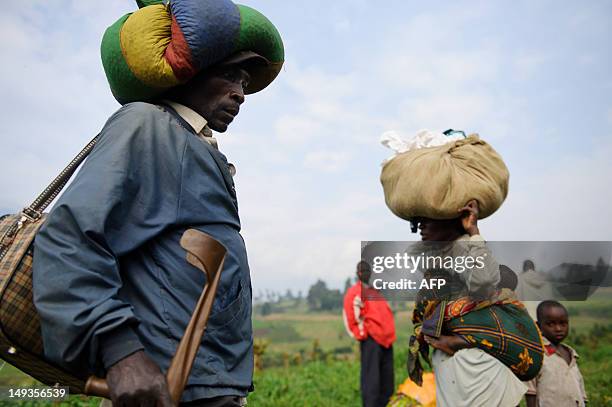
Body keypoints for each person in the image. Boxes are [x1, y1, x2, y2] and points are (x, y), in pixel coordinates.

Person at [32, 50, 279, 406]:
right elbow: (69, 238)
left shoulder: (191, 141)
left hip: (205, 377)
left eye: (243, 83)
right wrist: (121, 352)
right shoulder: (147, 124)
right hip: (161, 380)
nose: (241, 93)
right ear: (186, 73)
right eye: (229, 76)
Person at [408, 200, 540, 407]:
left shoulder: (463, 247)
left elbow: (483, 281)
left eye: (426, 221)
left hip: (475, 364)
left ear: (450, 222)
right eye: (417, 222)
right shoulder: (443, 252)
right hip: (457, 363)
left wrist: (472, 232)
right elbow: (412, 254)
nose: (420, 228)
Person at [343, 261, 396, 407]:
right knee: (371, 383)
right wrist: (363, 334)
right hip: (371, 341)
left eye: (367, 270)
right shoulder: (355, 293)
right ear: (357, 273)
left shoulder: (374, 292)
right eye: (361, 270)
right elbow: (350, 319)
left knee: (387, 383)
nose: (364, 273)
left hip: (386, 342)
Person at [525, 301, 587, 407]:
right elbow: (531, 392)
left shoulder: (571, 354)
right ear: (538, 326)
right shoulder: (537, 355)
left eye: (563, 323)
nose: (558, 329)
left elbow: (581, 393)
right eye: (551, 324)